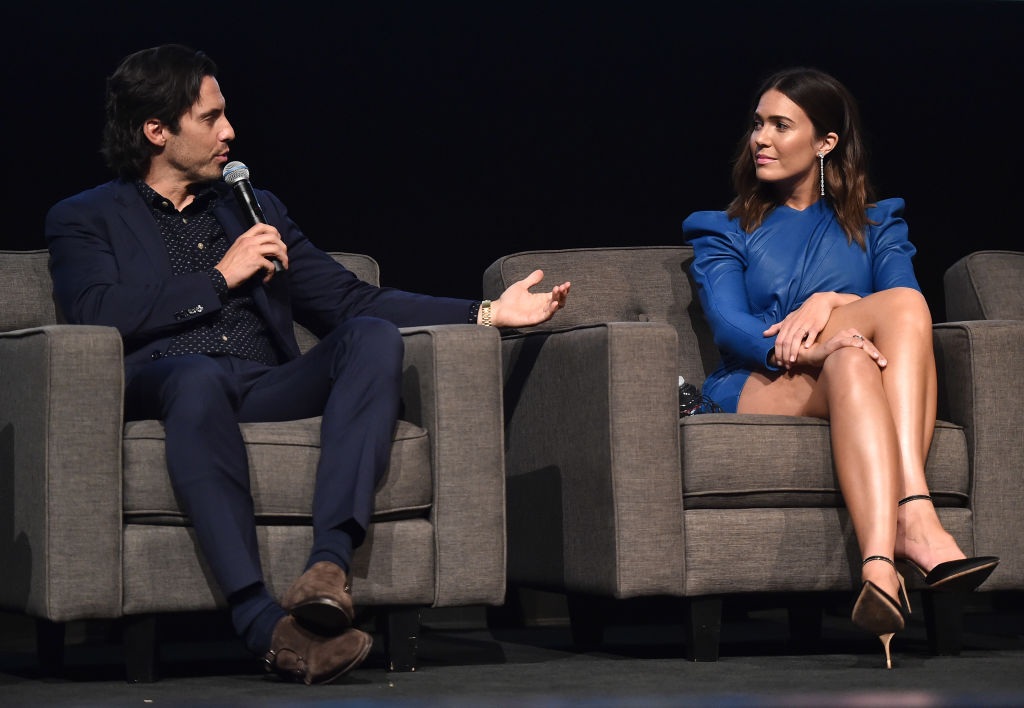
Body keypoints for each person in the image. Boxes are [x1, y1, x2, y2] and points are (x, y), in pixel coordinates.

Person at [46, 44, 570, 685]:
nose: (229, 132)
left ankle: (327, 569)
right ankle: (258, 620)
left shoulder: (249, 206)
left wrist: (487, 312)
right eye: (210, 118)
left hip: (263, 385)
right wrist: (218, 277)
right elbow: (98, 311)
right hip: (169, 381)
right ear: (156, 130)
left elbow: (351, 300)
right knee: (198, 376)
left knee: (371, 336)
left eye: (226, 115)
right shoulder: (84, 216)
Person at [682, 67, 997, 669]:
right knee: (851, 352)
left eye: (781, 125)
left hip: (850, 372)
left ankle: (878, 567)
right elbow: (731, 327)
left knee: (877, 336)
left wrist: (827, 303)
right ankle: (916, 519)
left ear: (825, 143)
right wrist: (811, 348)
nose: (760, 139)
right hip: (757, 381)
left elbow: (905, 306)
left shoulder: (879, 225)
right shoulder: (724, 230)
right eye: (757, 124)